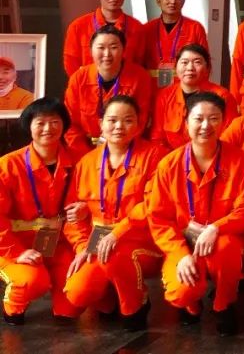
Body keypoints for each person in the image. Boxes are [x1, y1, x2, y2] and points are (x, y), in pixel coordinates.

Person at [147, 92, 244, 335]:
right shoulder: (169, 165)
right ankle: (191, 305)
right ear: (186, 122)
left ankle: (224, 304)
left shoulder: (240, 161)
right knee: (180, 293)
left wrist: (217, 228)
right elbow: (159, 218)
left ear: (224, 122)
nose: (206, 126)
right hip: (183, 242)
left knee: (227, 247)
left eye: (214, 118)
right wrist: (180, 254)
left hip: (223, 240)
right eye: (199, 119)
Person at [63, 95, 163, 330]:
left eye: (128, 120)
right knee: (77, 293)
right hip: (97, 240)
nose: (119, 126)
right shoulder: (87, 163)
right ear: (101, 124)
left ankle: (135, 306)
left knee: (115, 255)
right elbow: (72, 216)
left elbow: (153, 204)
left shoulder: (155, 156)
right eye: (112, 120)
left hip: (143, 239)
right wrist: (82, 246)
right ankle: (110, 296)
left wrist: (117, 233)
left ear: (139, 124)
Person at [0, 98, 80, 323]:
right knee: (32, 281)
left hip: (58, 241)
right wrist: (17, 252)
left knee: (77, 290)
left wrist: (82, 247)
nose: (48, 128)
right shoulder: (8, 165)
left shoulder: (77, 161)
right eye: (40, 123)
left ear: (64, 125)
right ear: (29, 126)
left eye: (55, 122)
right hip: (15, 243)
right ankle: (13, 308)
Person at [63, 25, 154, 159]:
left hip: (126, 150)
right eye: (101, 48)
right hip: (84, 152)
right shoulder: (78, 78)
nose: (107, 54)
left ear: (123, 50)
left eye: (113, 47)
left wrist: (118, 149)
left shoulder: (140, 77)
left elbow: (141, 121)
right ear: (91, 51)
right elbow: (70, 124)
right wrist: (88, 156)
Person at [150, 44, 238, 151]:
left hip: (210, 155)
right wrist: (172, 159)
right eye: (184, 62)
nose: (190, 68)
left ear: (207, 68)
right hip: (172, 157)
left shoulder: (222, 96)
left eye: (197, 62)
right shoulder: (165, 96)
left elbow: (229, 137)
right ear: (176, 67)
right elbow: (157, 137)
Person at [63, 0, 149, 76]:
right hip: (89, 84)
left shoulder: (137, 28)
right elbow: (71, 63)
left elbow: (140, 63)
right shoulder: (78, 26)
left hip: (127, 84)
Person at [143, 0, 210, 88]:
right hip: (153, 87)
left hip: (187, 86)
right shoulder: (146, 29)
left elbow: (205, 62)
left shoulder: (195, 27)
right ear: (158, 1)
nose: (173, 1)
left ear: (183, 2)